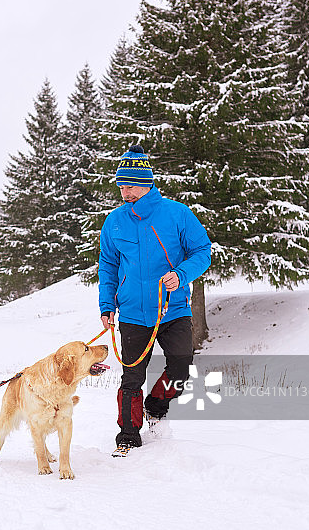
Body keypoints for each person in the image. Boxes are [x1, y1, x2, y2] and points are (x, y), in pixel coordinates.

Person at [98, 145, 212, 452]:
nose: (124, 193)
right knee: (131, 377)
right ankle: (128, 434)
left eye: (130, 187)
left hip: (172, 309)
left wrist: (181, 274)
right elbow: (108, 265)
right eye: (121, 187)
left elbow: (202, 252)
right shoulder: (114, 221)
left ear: (146, 183)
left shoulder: (177, 214)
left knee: (181, 367)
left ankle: (156, 406)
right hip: (133, 313)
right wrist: (107, 305)